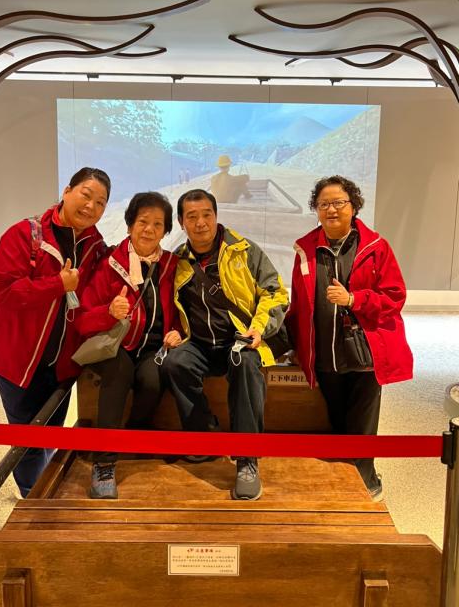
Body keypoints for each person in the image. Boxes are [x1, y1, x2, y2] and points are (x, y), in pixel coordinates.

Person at [0, 167, 111, 498]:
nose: (91, 206)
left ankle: (44, 489)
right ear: (67, 191)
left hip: (61, 364)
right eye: (86, 195)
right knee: (26, 442)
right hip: (16, 362)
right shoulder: (26, 234)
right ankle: (33, 498)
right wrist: (57, 285)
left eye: (100, 202)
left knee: (51, 431)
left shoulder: (96, 246)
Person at [286, 175, 413, 501]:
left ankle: (366, 480)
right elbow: (298, 304)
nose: (331, 210)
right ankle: (345, 479)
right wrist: (292, 343)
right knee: (338, 421)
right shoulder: (305, 250)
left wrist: (354, 300)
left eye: (338, 203)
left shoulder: (376, 247)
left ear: (353, 206)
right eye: (323, 204)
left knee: (363, 422)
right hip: (325, 354)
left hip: (366, 352)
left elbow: (394, 297)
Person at [162, 189, 289, 501]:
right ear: (181, 222)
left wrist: (259, 328)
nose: (200, 223)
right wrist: (175, 330)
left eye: (206, 214)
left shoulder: (244, 251)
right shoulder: (177, 261)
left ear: (216, 216)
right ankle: (205, 436)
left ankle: (247, 458)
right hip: (200, 344)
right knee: (175, 362)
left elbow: (275, 292)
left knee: (246, 365)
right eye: (192, 216)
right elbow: (170, 305)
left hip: (240, 342)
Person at [74, 192, 182, 499]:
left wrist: (176, 331)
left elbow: (181, 310)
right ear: (130, 224)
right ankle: (104, 463)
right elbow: (81, 320)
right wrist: (108, 312)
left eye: (158, 224)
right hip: (111, 347)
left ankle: (134, 434)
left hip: (151, 348)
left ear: (166, 230)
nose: (149, 229)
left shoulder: (172, 265)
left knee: (153, 378)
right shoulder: (109, 263)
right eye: (143, 221)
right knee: (120, 370)